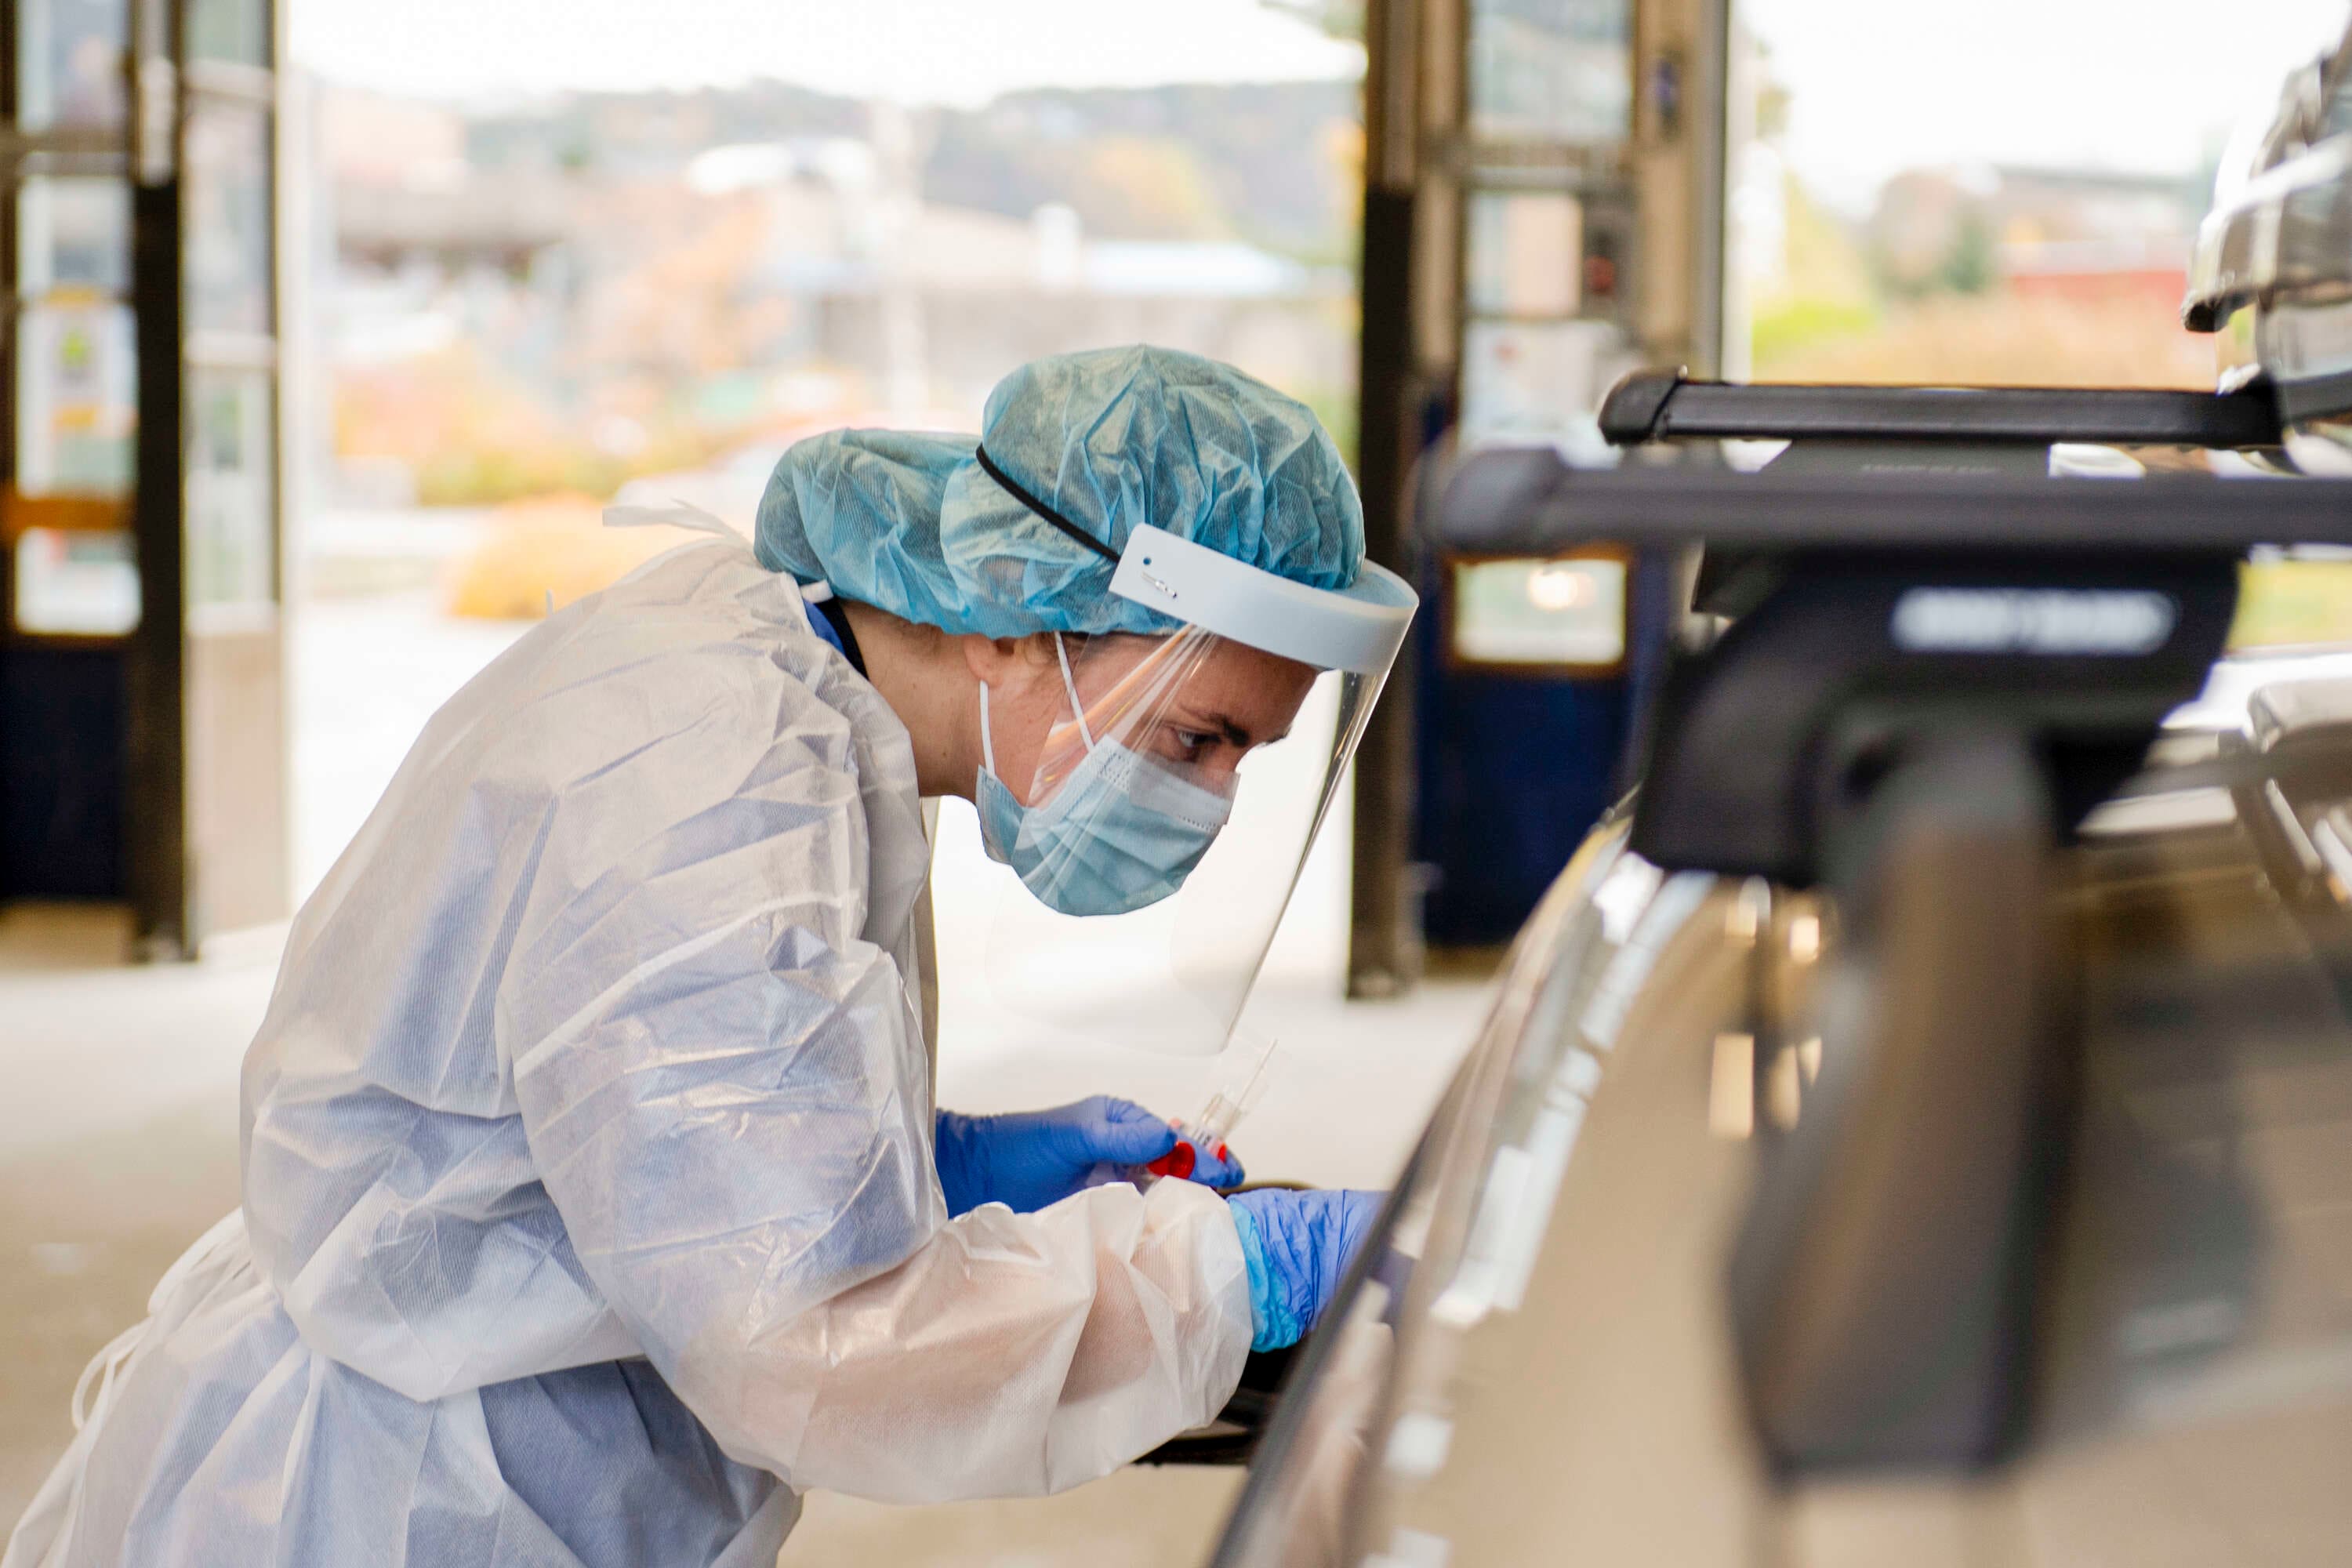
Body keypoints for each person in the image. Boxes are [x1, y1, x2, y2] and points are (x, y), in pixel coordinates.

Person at [5, 346, 1414, 1568]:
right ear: (1020, 623)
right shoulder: (717, 788)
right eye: (1196, 738)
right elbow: (812, 1351)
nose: (1207, 799)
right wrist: (1233, 1271)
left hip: (495, 1456)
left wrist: (921, 1166)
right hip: (404, 1503)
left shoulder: (792, 692)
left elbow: (631, 1132)